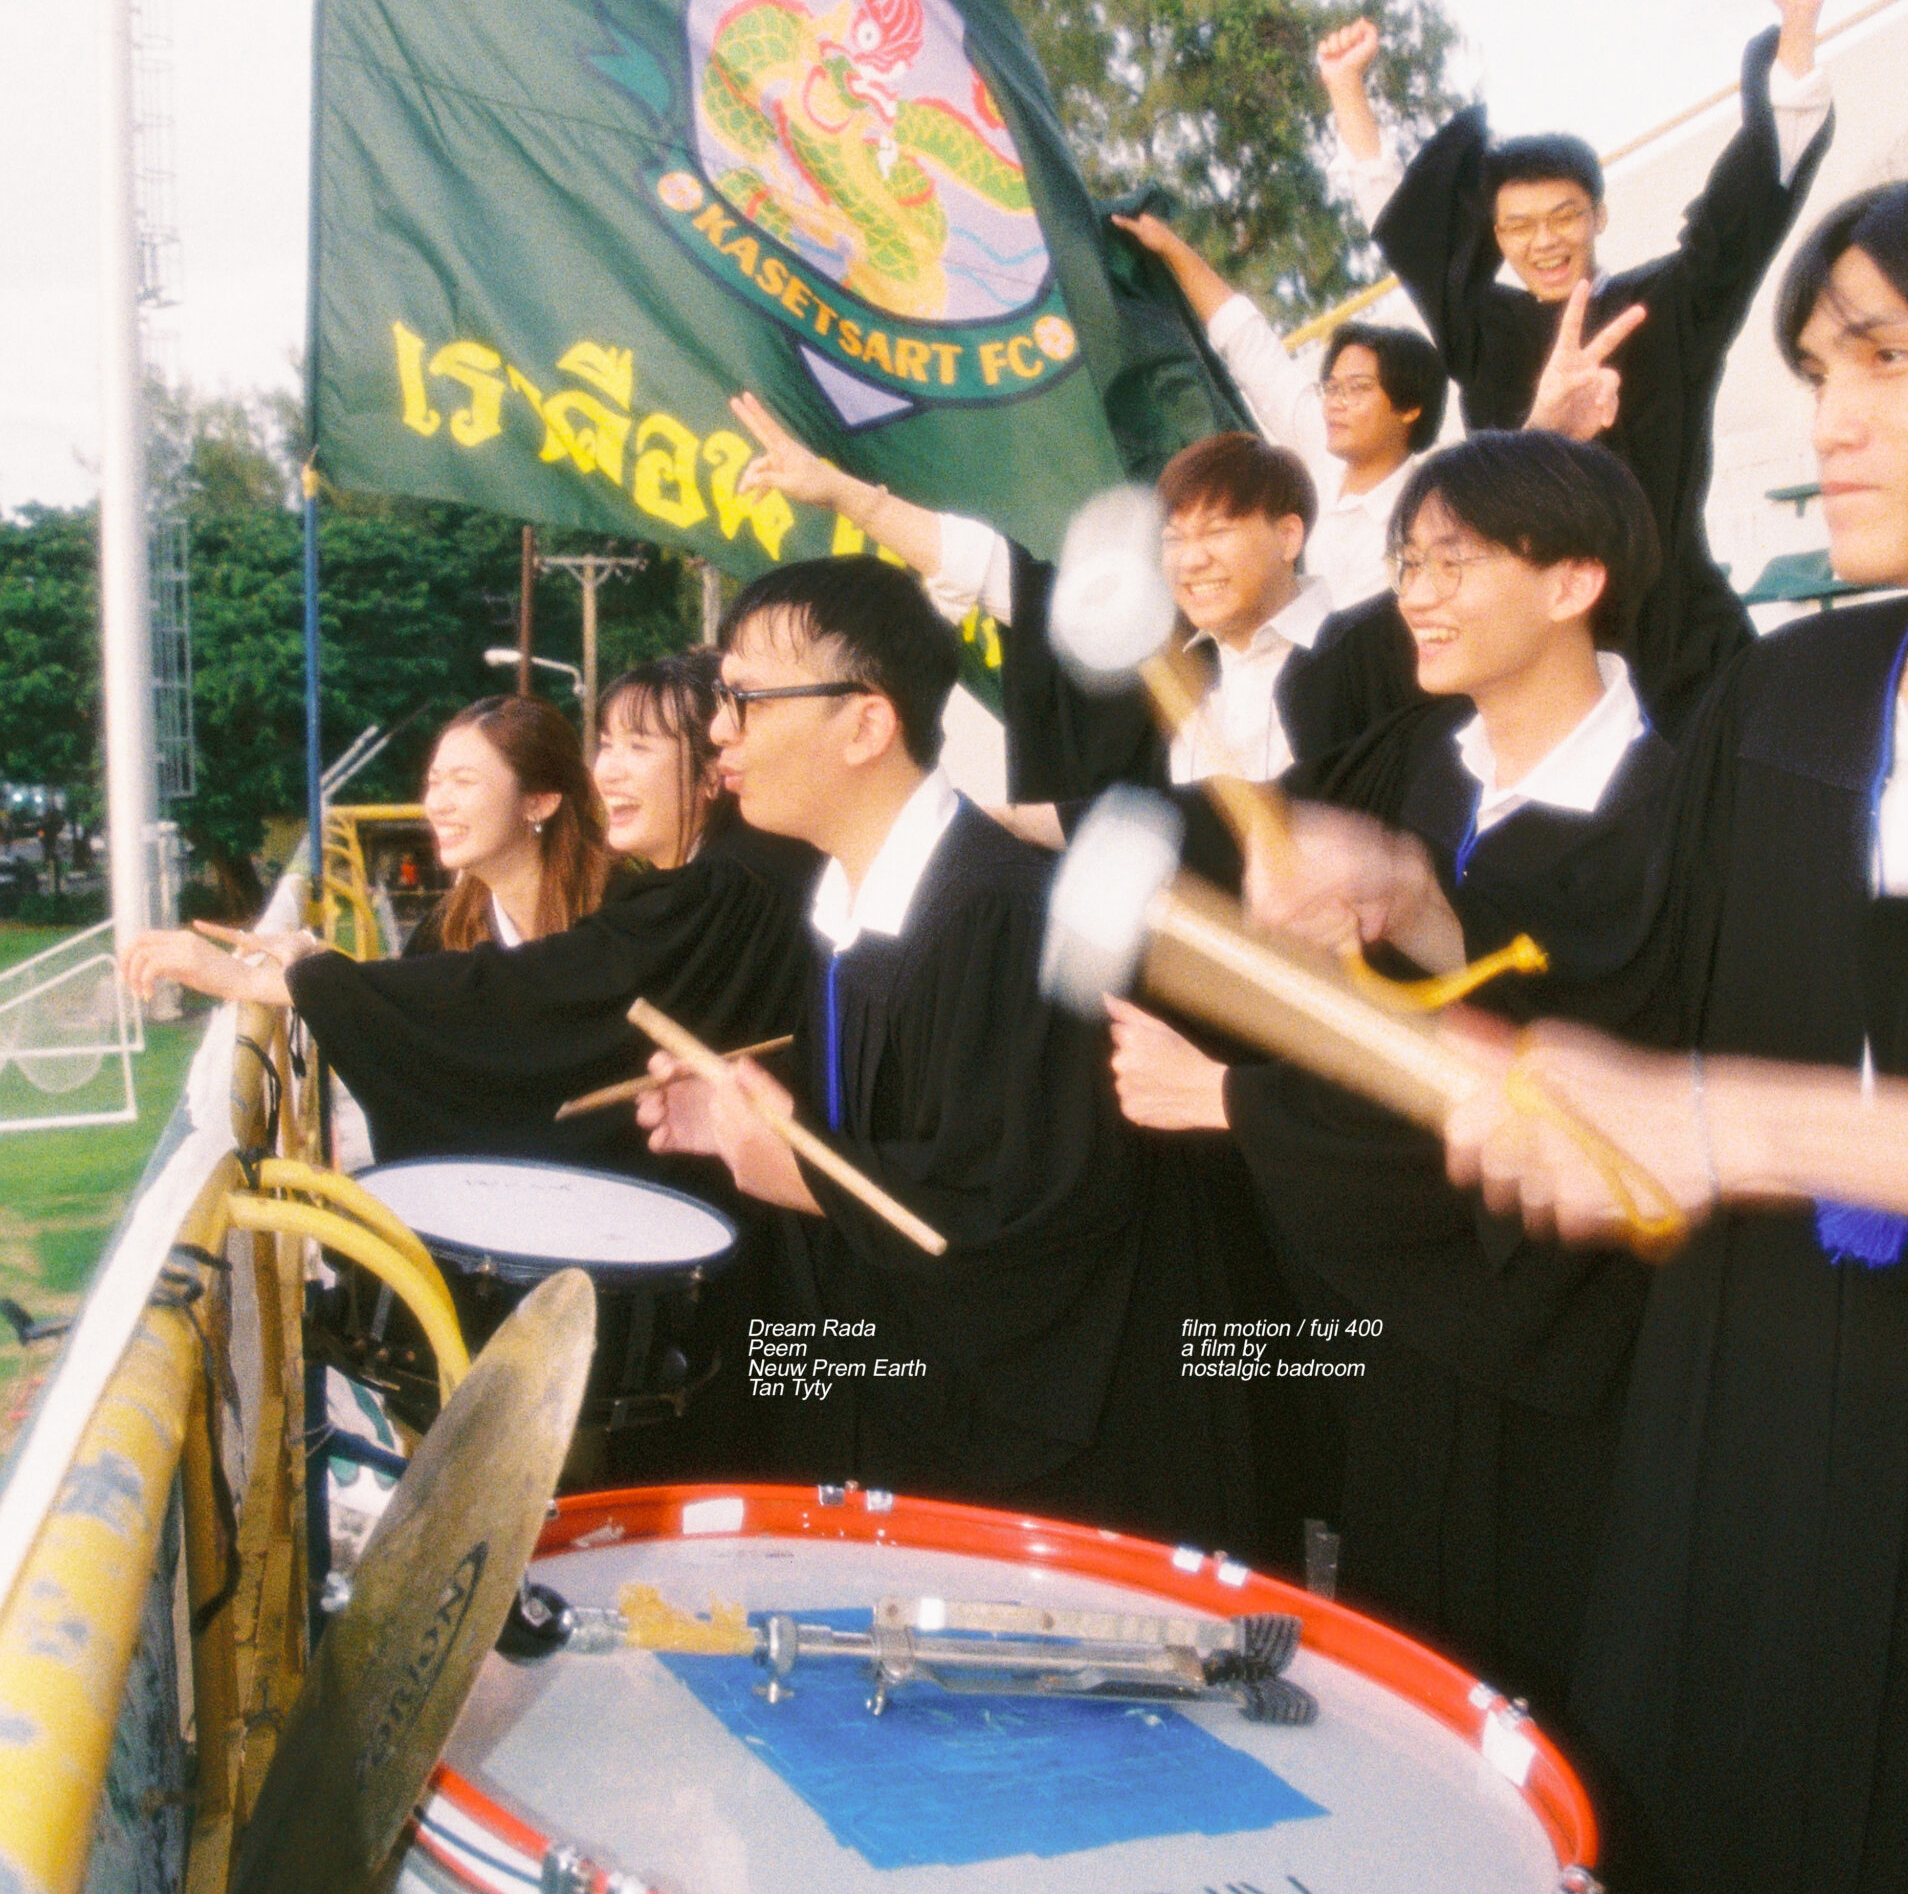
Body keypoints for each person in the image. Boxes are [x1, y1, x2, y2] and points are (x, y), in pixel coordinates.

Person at [1253, 156, 1908, 1894]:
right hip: (1737, 1448)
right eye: (1813, 368)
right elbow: (1643, 969)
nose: (1827, 418)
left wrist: (1726, 1121)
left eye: (1883, 359)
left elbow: (1748, 1094)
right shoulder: (1791, 694)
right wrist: (1418, 915)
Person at [1107, 431, 1671, 1702]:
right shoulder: (1410, 763)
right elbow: (1244, 845)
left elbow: (1569, 1089)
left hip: (1567, 1364)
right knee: (1404, 1683)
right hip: (1406, 1339)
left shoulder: (1673, 810)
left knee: (1546, 1700)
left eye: (1452, 561)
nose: (1415, 592)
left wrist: (1234, 1099)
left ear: (1573, 580)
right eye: (1407, 561)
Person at [635, 554, 1276, 1546]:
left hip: (1072, 1486)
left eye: (746, 699)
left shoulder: (1003, 916)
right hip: (926, 1431)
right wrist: (743, 1123)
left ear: (866, 724)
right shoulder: (856, 910)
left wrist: (805, 1170)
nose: (719, 730)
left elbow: (1027, 1217)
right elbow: (919, 1116)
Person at [1327, 0, 1836, 730]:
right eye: (1518, 226)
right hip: (1544, 645)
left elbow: (1748, 211)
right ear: (1497, 238)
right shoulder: (1482, 330)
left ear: (1598, 214)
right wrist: (1346, 89)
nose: (1544, 242)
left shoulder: (1667, 308)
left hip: (1681, 643)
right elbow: (1407, 224)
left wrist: (1797, 31)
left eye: (1563, 216)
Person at [123, 654, 816, 1172]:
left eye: (639, 747)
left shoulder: (701, 898)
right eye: (606, 745)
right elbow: (464, 1020)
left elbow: (524, 998)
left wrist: (281, 982)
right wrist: (319, 973)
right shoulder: (451, 932)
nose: (607, 771)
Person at [727, 391, 1419, 812]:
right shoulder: (1166, 675)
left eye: (1216, 531)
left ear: (1288, 534)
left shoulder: (1387, 645)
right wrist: (845, 495)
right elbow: (995, 572)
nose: (1191, 559)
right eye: (1173, 538)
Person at [1108, 206, 1449, 607]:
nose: (1335, 404)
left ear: (1410, 407)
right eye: (1331, 388)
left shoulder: (1419, 523)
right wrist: (1170, 248)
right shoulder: (1321, 445)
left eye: (1357, 390)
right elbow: (1248, 344)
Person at [409, 695, 612, 951]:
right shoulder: (442, 934)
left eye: (464, 781)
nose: (437, 805)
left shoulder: (623, 919)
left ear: (539, 802)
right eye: (434, 782)